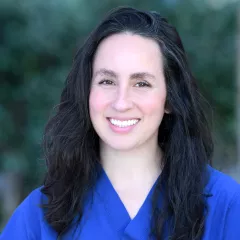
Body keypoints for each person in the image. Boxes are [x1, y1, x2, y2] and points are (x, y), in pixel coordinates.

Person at [1, 6, 240, 240]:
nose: (121, 102)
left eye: (141, 83)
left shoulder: (226, 207)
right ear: (86, 90)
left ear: (170, 98)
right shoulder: (37, 216)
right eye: (107, 81)